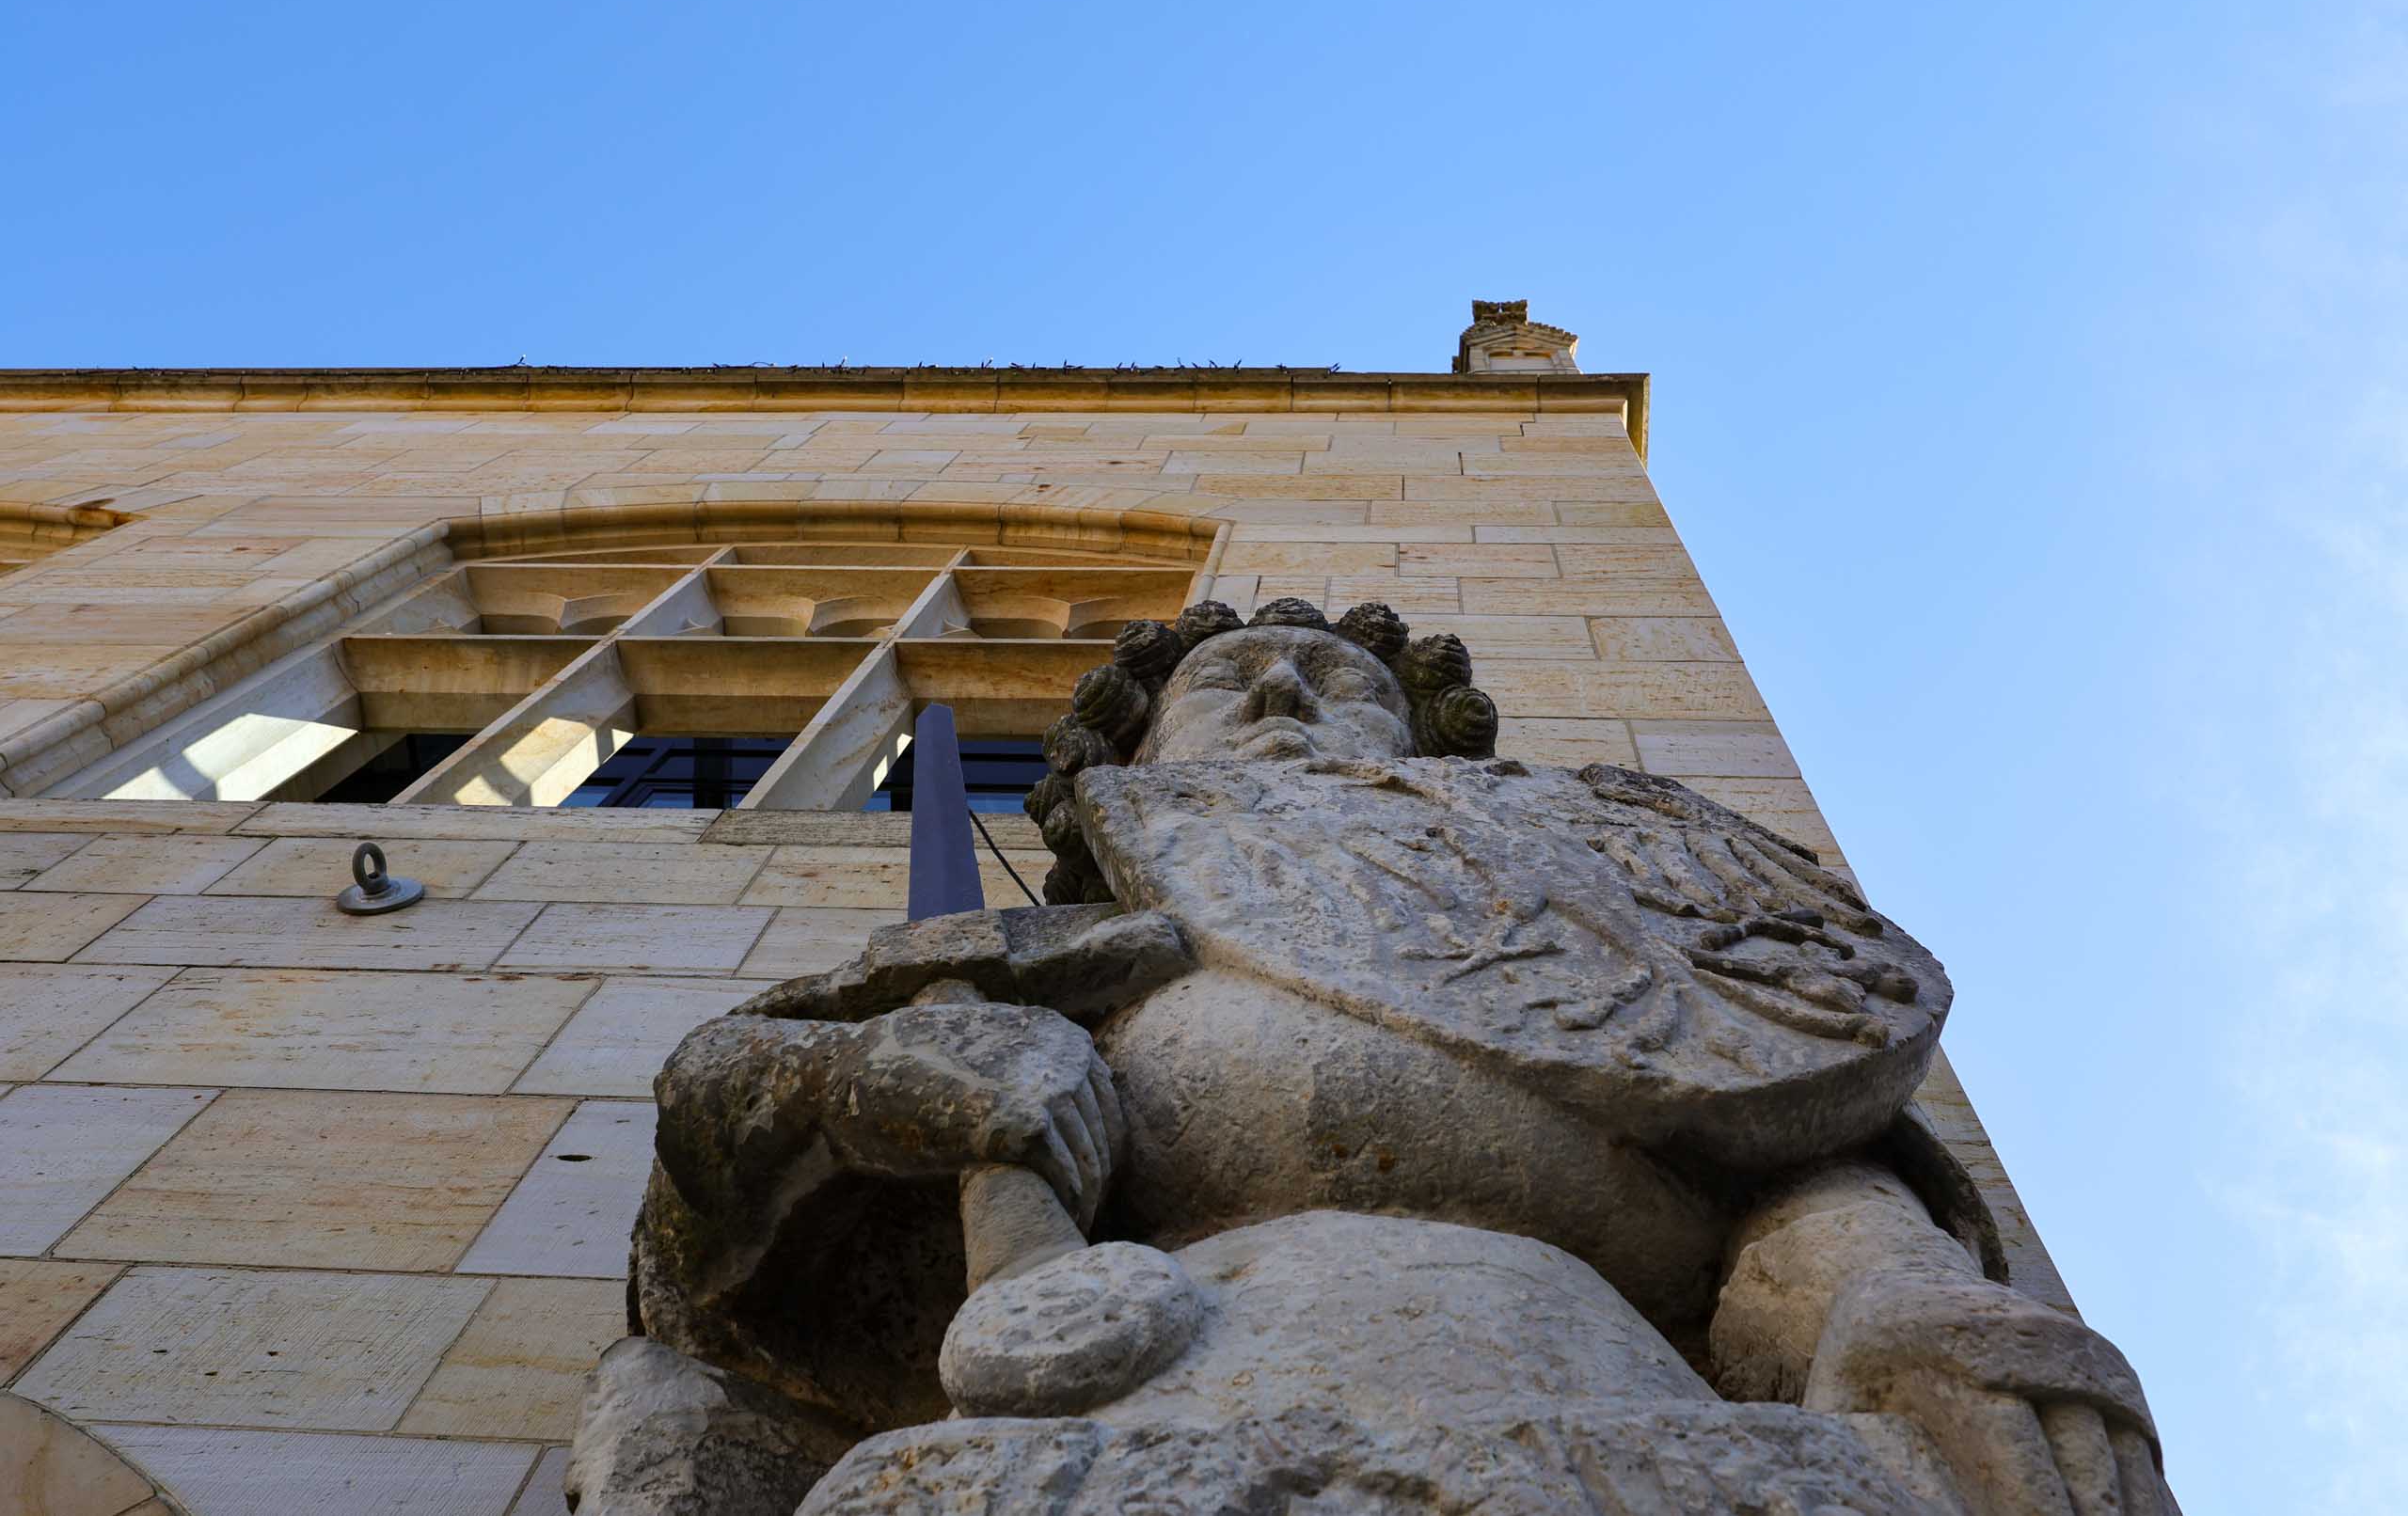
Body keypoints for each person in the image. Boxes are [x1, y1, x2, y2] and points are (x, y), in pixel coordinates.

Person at [575, 600, 2170, 1516]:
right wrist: (874, 1089)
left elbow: (1804, 1165)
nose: (1284, 687)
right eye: (1227, 679)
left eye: (1343, 682)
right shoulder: (1047, 955)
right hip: (1130, 1413)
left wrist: (1908, 1304)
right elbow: (708, 1170)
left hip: (1623, 1404)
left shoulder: (1627, 932)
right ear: (1135, 758)